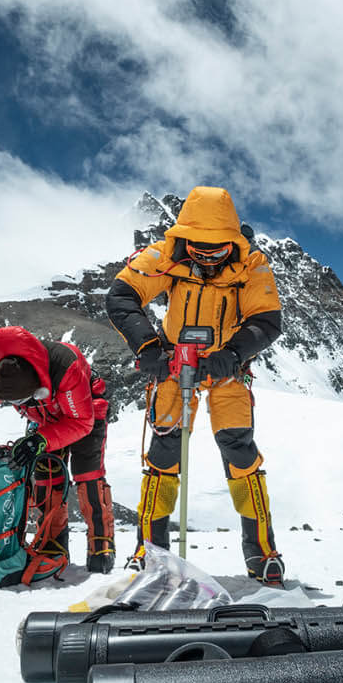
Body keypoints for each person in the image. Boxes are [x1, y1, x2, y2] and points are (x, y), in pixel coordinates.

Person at [105, 186, 285, 585]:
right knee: (164, 455)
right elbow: (122, 295)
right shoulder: (164, 256)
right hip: (174, 364)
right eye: (198, 249)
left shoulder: (253, 265)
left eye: (216, 250)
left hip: (227, 370)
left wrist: (234, 353)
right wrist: (149, 347)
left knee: (240, 454)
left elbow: (267, 320)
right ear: (184, 237)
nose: (205, 258)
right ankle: (149, 554)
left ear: (233, 243)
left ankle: (263, 555)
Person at [0, 326, 116, 574]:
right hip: (44, 420)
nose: (16, 406)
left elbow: (80, 422)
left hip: (87, 412)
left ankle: (101, 547)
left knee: (88, 474)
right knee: (47, 476)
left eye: (21, 401)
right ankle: (53, 544)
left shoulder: (66, 367)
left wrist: (39, 439)